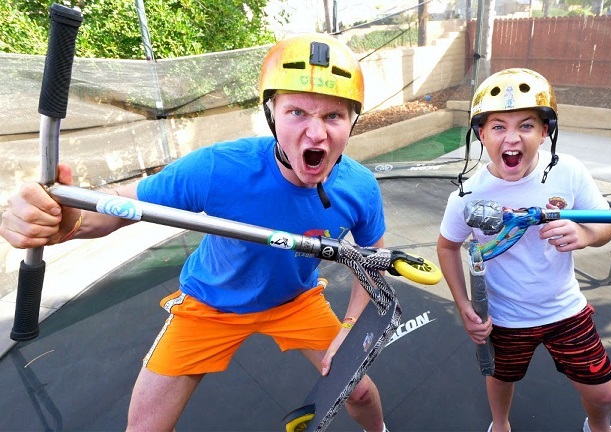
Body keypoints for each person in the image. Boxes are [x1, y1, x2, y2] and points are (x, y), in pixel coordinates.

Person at [0, 33, 390, 432]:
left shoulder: (359, 187)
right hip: (210, 304)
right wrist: (71, 221)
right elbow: (123, 205)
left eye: (333, 116)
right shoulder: (219, 169)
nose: (316, 134)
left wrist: (349, 328)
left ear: (352, 122)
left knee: (359, 391)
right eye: (297, 113)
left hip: (295, 301)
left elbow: (371, 262)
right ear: (272, 113)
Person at [436, 68, 611, 432]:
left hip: (565, 310)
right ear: (481, 134)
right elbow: (446, 247)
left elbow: (607, 226)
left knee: (605, 395)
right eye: (498, 127)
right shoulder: (466, 195)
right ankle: (500, 425)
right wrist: (464, 305)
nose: (512, 138)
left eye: (526, 125)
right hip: (504, 319)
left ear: (545, 131)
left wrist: (585, 234)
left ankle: (598, 428)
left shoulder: (568, 172)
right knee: (500, 381)